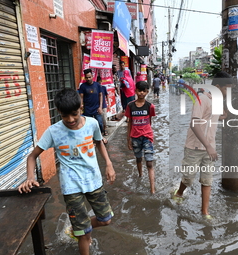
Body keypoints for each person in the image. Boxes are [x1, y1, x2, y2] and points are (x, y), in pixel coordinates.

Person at [18, 88, 116, 255]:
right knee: (84, 234)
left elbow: (99, 143)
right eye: (65, 116)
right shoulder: (53, 131)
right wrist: (29, 177)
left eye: (74, 114)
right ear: (58, 112)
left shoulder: (92, 124)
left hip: (94, 180)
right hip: (71, 187)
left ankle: (75, 229)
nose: (70, 119)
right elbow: (32, 157)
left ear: (81, 108)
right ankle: (81, 230)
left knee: (105, 219)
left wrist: (108, 163)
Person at [172, 71, 233, 219]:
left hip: (209, 147)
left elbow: (214, 118)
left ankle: (205, 212)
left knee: (207, 180)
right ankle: (179, 193)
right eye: (226, 89)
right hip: (195, 146)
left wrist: (224, 114)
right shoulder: (202, 98)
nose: (227, 93)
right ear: (218, 87)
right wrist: (208, 146)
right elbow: (195, 123)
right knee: (188, 178)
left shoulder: (216, 101)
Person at [125, 81, 156, 194]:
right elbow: (129, 122)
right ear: (136, 91)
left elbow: (150, 121)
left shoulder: (150, 106)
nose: (141, 93)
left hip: (147, 136)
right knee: (138, 158)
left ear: (147, 92)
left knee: (149, 162)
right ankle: (140, 175)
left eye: (144, 91)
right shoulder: (130, 106)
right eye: (139, 90)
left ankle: (152, 189)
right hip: (135, 137)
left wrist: (148, 133)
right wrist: (128, 139)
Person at [78, 72, 107, 144]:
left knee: (99, 123)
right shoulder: (83, 86)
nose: (88, 79)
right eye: (86, 77)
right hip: (87, 109)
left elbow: (100, 96)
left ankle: (100, 137)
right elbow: (81, 97)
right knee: (88, 125)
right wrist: (81, 106)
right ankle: (92, 138)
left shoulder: (97, 85)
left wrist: (100, 107)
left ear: (92, 76)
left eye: (89, 77)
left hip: (96, 108)